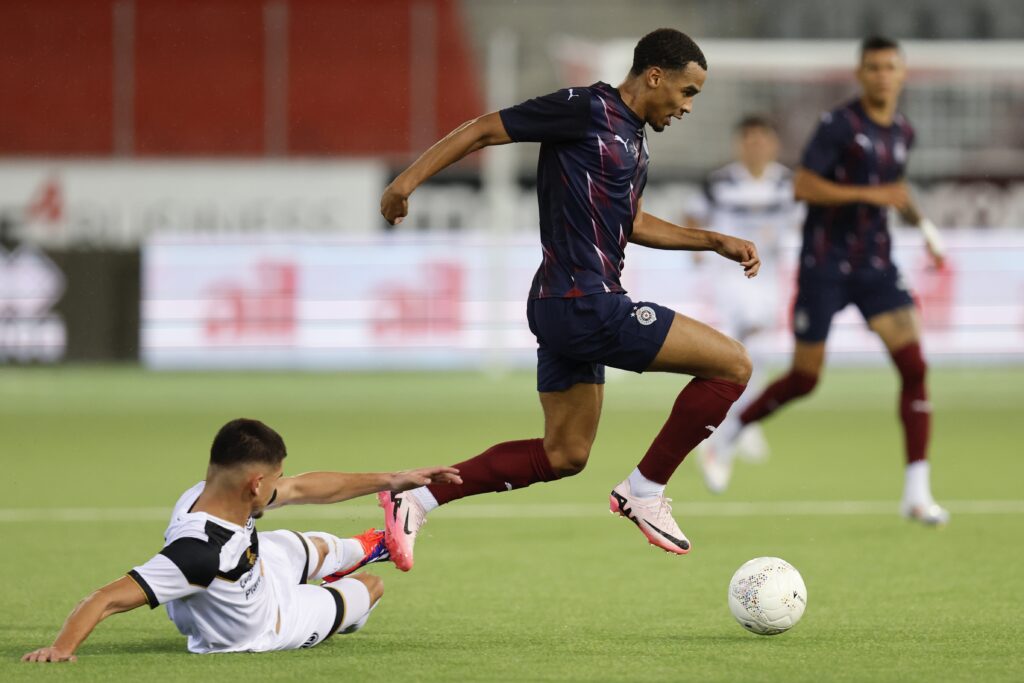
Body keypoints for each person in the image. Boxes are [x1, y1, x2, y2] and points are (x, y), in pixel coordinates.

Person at [377, 28, 761, 570]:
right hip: (586, 302)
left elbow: (631, 222)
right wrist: (404, 183)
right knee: (733, 365)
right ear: (655, 76)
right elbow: (487, 129)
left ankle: (415, 498)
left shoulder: (635, 140)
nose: (688, 106)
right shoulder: (585, 109)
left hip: (564, 304)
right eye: (686, 91)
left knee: (565, 454)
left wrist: (712, 240)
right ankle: (645, 489)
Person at [713, 37, 949, 524]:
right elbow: (803, 185)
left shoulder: (904, 130)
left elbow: (895, 194)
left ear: (902, 74)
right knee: (805, 378)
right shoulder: (839, 125)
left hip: (875, 266)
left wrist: (922, 227)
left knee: (914, 366)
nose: (882, 75)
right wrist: (871, 194)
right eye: (873, 67)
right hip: (824, 264)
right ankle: (734, 428)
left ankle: (917, 492)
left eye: (890, 67)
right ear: (860, 75)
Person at [22, 418, 461, 662]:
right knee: (369, 588)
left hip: (250, 565)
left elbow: (306, 488)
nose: (282, 484)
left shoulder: (208, 492)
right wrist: (60, 649)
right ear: (255, 484)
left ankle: (369, 546)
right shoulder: (197, 554)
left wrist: (393, 479)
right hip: (261, 624)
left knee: (317, 545)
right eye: (276, 478)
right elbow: (104, 599)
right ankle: (342, 587)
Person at [683, 114, 804, 491]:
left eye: (761, 139)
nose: (755, 146)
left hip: (769, 274)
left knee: (758, 350)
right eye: (748, 139)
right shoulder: (720, 182)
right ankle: (729, 433)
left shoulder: (787, 182)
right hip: (730, 275)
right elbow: (692, 213)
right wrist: (698, 252)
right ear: (739, 144)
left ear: (773, 144)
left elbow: (801, 221)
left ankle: (740, 421)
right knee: (745, 334)